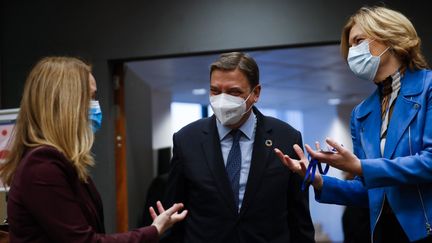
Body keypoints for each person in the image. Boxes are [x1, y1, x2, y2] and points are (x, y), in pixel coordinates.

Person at [275, 6, 432, 243]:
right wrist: (318, 180)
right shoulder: (362, 113)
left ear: (390, 36)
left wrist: (360, 166)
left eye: (359, 41)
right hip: (384, 233)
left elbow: (429, 162)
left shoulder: (428, 88)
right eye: (350, 46)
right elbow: (367, 191)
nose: (352, 52)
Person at [0, 56, 187, 242]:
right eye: (90, 98)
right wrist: (153, 231)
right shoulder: (42, 166)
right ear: (64, 104)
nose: (96, 106)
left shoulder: (62, 162)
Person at [163, 52, 315, 242]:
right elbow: (173, 215)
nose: (222, 100)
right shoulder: (187, 140)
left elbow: (299, 216)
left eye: (234, 92)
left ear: (256, 93)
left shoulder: (286, 138)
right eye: (215, 91)